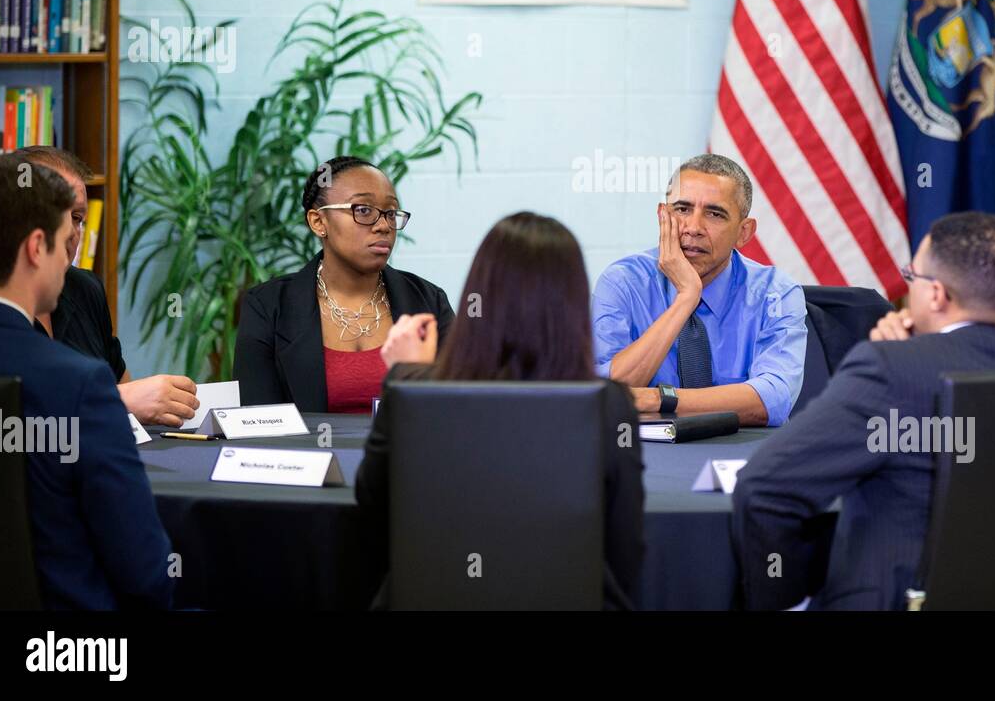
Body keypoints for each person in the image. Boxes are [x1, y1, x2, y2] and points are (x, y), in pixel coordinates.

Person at [732, 212, 995, 610]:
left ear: (936, 295)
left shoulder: (887, 369)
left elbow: (763, 489)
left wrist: (790, 600)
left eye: (911, 277)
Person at [357, 212, 644, 609]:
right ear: (574, 306)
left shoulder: (418, 391)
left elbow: (372, 511)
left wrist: (406, 375)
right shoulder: (609, 404)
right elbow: (625, 548)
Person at [0, 155, 174, 609]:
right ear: (35, 247)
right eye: (68, 238)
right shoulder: (79, 385)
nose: (73, 255)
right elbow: (146, 575)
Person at [591, 154, 806, 427]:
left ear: (744, 232)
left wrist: (659, 400)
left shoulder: (776, 293)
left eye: (715, 214)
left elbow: (773, 399)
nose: (693, 228)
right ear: (662, 216)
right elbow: (607, 395)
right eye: (682, 209)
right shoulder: (622, 282)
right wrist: (686, 299)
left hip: (743, 455)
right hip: (645, 455)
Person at [235, 156, 453, 412]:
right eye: (363, 210)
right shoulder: (268, 307)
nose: (383, 225)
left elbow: (460, 407)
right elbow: (258, 422)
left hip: (408, 452)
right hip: (307, 453)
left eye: (390, 213)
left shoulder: (428, 301)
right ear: (318, 222)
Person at [14, 146, 201, 427]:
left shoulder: (85, 289)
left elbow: (127, 402)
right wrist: (117, 400)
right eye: (58, 214)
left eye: (78, 219)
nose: (72, 233)